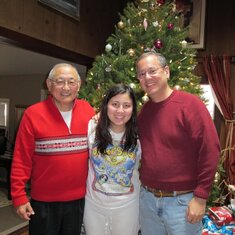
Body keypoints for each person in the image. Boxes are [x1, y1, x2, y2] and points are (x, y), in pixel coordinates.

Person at [136, 51, 220, 235]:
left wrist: (200, 197)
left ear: (166, 71)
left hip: (182, 203)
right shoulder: (144, 112)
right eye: (141, 74)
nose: (147, 77)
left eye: (152, 71)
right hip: (147, 200)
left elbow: (210, 150)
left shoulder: (190, 105)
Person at [10, 63, 95, 235]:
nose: (66, 87)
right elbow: (21, 159)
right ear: (49, 85)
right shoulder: (32, 114)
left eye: (71, 82)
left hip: (78, 200)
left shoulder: (88, 111)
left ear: (78, 86)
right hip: (44, 203)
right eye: (59, 81)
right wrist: (19, 197)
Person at [83, 84, 141, 235]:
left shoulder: (139, 134)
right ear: (106, 105)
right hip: (93, 204)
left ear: (133, 108)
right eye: (115, 104)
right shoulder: (91, 127)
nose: (120, 111)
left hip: (128, 206)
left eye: (126, 105)